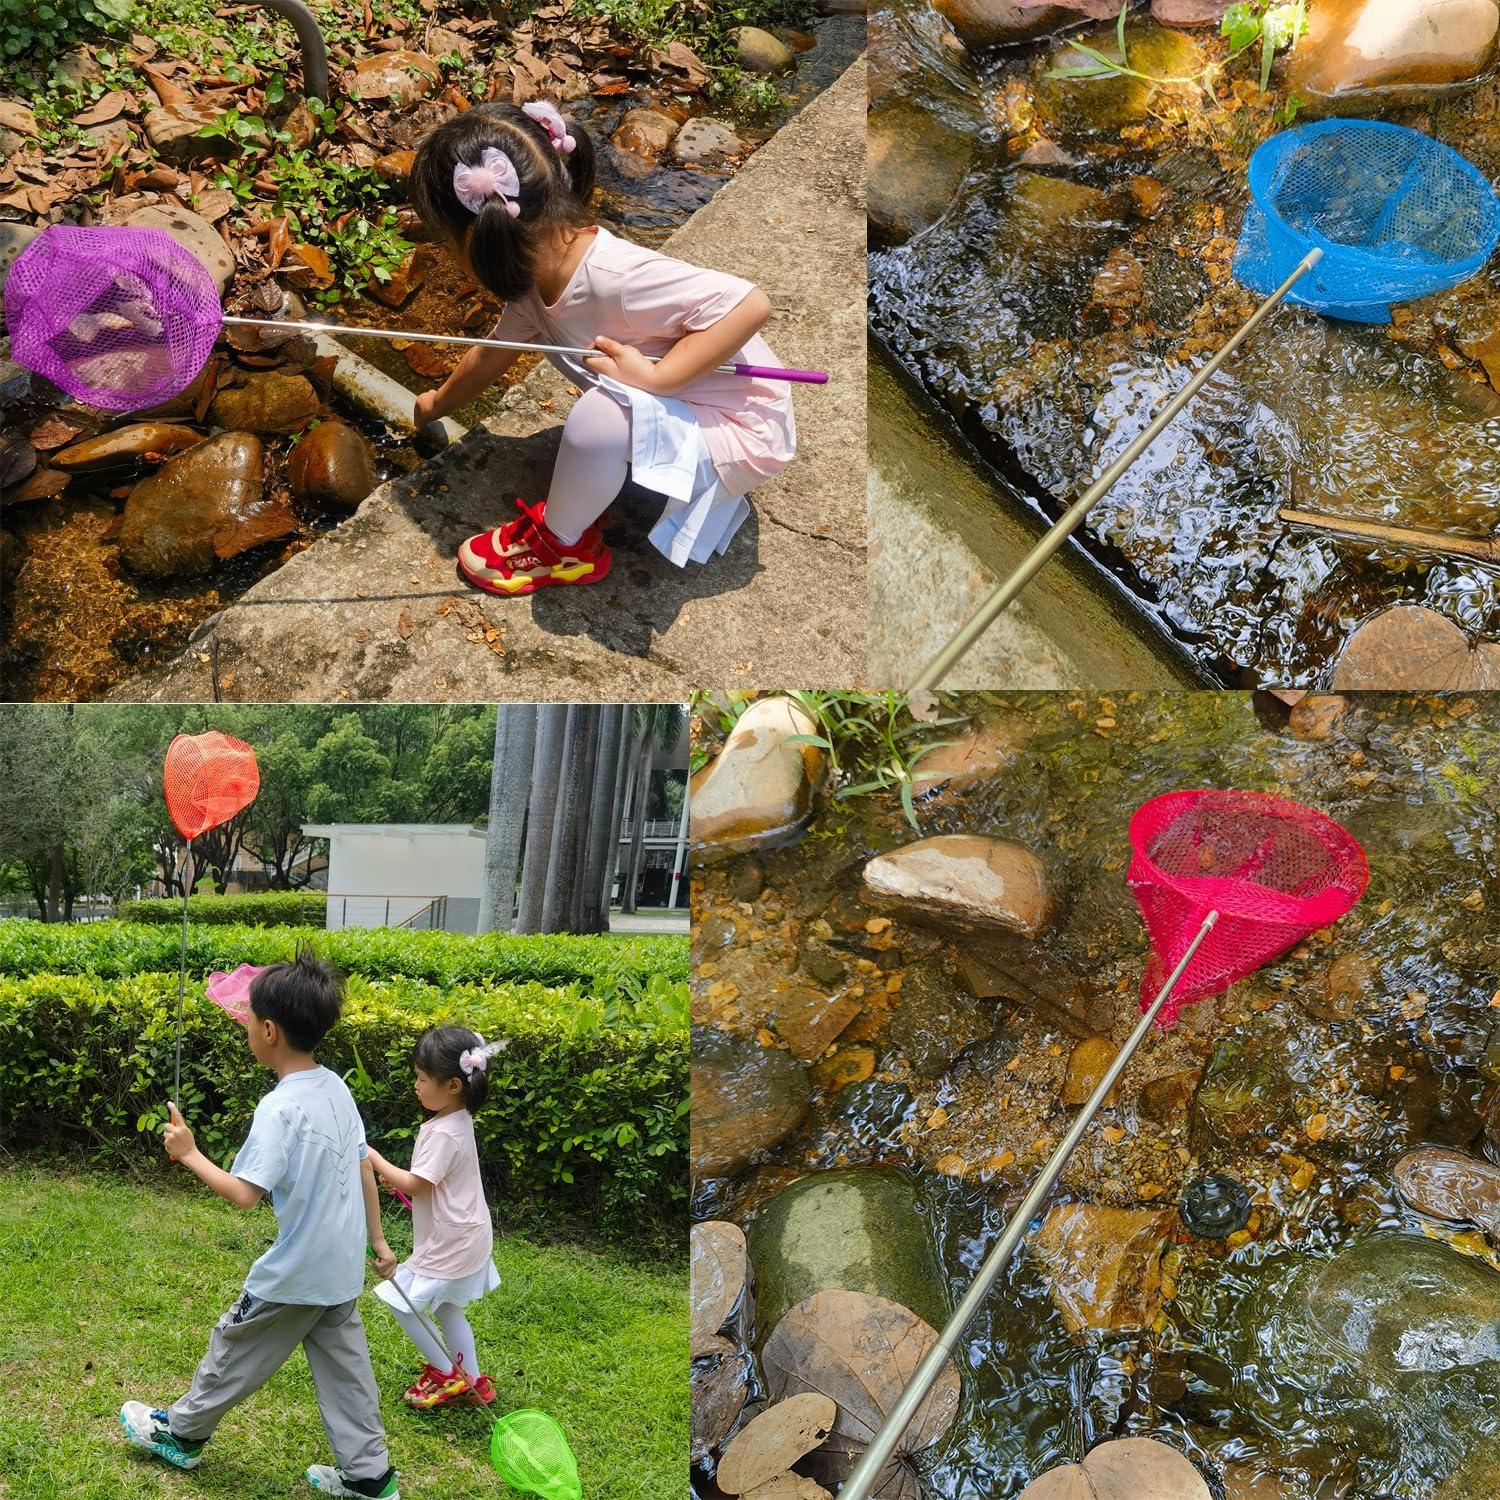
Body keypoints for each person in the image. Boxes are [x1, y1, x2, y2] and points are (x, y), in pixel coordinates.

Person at [408, 98, 797, 594]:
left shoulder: (616, 277)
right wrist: (436, 402)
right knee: (607, 408)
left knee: (600, 413)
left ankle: (564, 546)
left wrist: (658, 379)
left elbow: (750, 304)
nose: (445, 252)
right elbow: (490, 356)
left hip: (742, 429)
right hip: (694, 410)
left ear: (476, 235)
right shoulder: (534, 279)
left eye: (444, 241)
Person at [120, 953, 400, 1500]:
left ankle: (182, 1433)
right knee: (348, 1375)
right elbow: (365, 1165)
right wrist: (378, 1240)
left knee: (235, 1344)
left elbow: (245, 1195)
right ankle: (370, 1478)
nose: (245, 1027)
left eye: (248, 1019)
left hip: (295, 1275)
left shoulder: (280, 1108)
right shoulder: (336, 1089)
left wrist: (190, 1152)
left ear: (269, 1031)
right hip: (339, 1270)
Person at [364, 1027, 505, 1409]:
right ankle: (474, 1382)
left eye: (422, 1079)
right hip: (463, 1231)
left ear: (454, 1085)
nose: (416, 1086)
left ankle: (447, 1374)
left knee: (399, 1299)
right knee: (447, 1306)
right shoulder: (452, 1122)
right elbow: (428, 1182)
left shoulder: (446, 1131)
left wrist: (373, 1157)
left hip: (453, 1238)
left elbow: (419, 1184)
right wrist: (397, 1179)